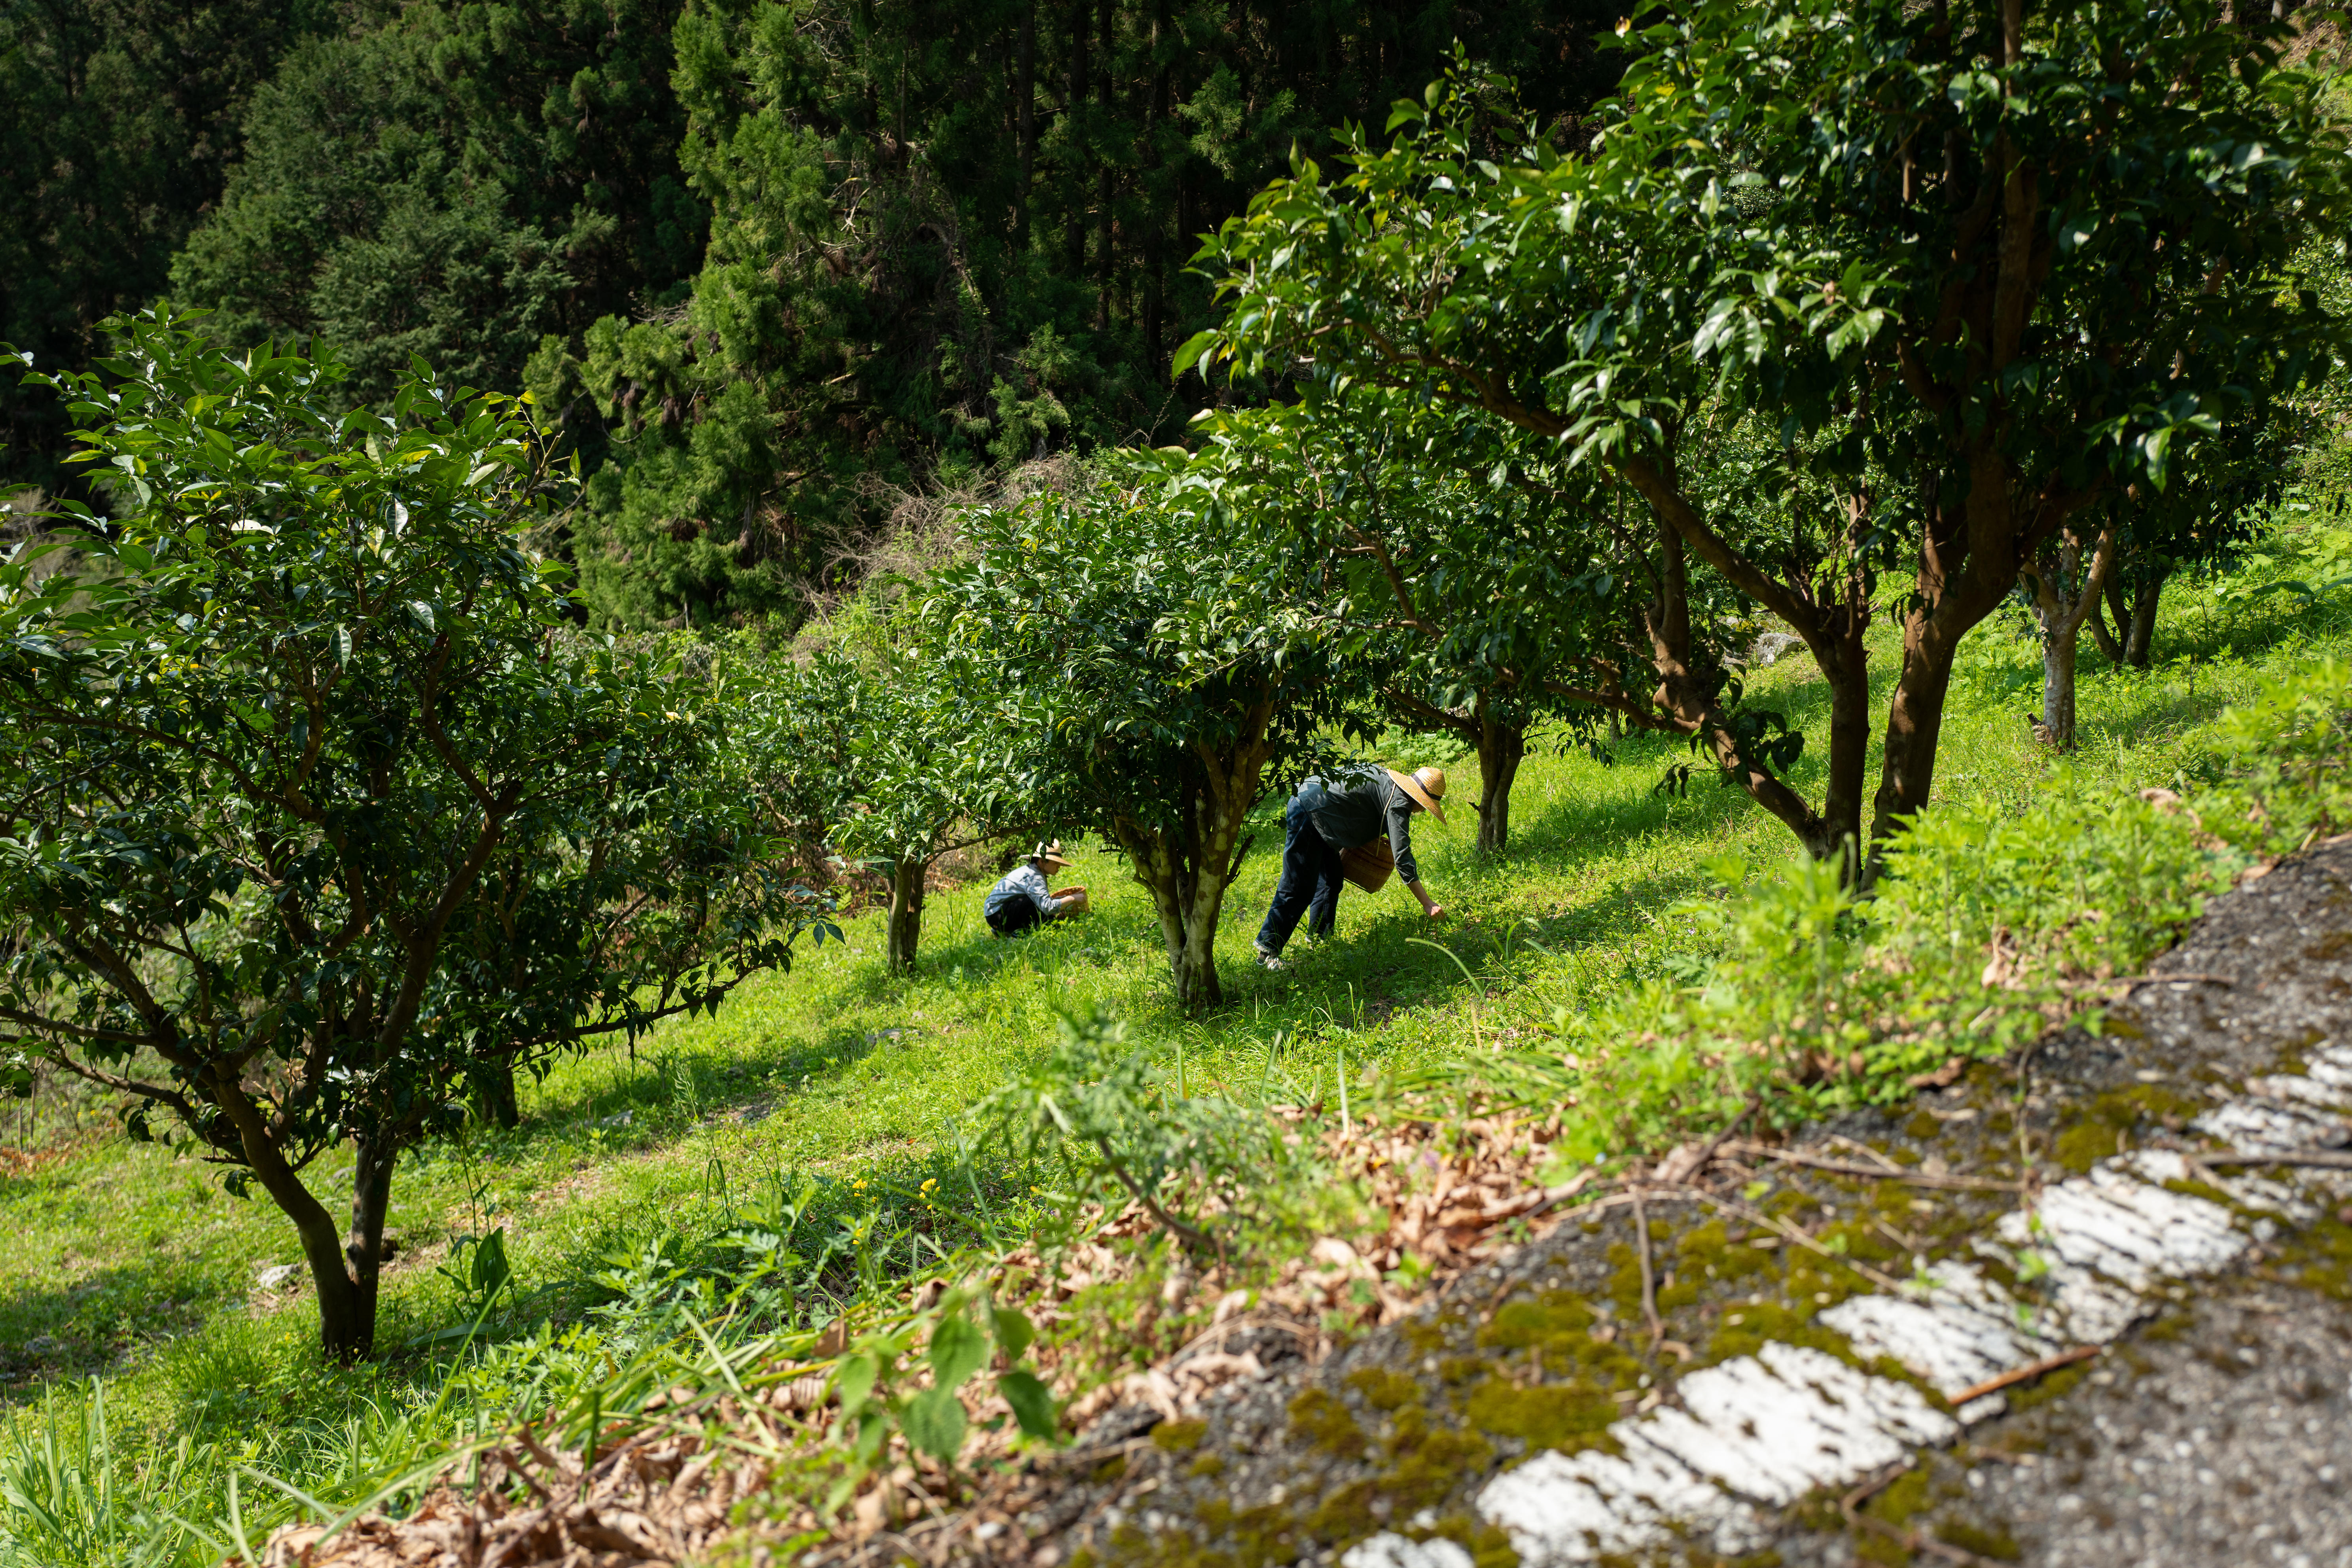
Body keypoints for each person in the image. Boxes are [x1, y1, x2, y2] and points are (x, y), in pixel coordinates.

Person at [1254, 765, 1447, 968]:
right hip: (1309, 812)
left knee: (1331, 880)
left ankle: (1320, 941)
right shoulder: (1399, 802)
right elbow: (1402, 858)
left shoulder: (1389, 783)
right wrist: (1427, 903)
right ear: (1419, 799)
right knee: (1298, 886)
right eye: (1426, 806)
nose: (1424, 810)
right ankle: (1266, 952)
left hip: (1319, 815)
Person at [984, 840, 1089, 936]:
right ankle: (1014, 933)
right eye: (1056, 863)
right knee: (1034, 903)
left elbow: (1043, 903)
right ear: (1042, 862)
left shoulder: (1035, 872)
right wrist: (1073, 898)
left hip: (998, 912)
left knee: (1042, 910)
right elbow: (1047, 907)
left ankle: (1008, 930)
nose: (1059, 867)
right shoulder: (1035, 877)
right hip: (996, 915)